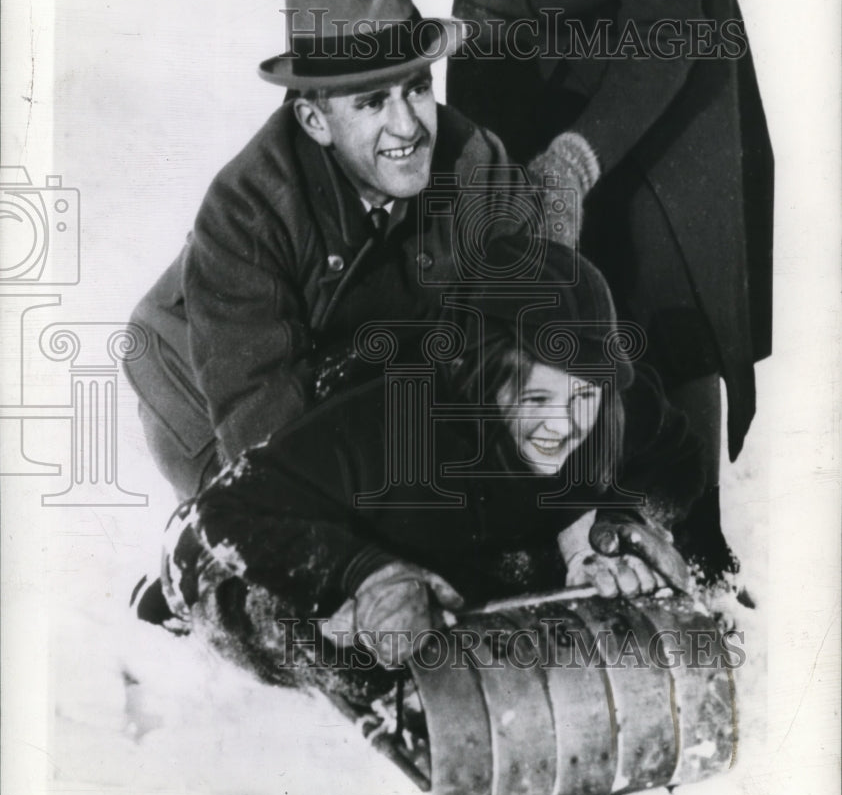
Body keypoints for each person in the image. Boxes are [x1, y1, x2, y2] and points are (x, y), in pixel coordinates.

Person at [336, 0, 774, 579]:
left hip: (653, 48)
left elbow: (663, 24)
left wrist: (574, 163)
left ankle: (694, 535)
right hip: (499, 45)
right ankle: (535, 531)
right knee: (509, 289)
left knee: (667, 288)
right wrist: (339, 91)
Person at [150, 237, 703, 689]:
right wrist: (362, 577)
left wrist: (620, 524)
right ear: (484, 378)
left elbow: (677, 459)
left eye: (583, 396)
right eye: (537, 399)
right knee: (325, 640)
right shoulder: (394, 425)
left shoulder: (614, 409)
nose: (562, 425)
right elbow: (220, 515)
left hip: (464, 531)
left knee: (515, 593)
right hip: (276, 508)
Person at [124, 0, 529, 514]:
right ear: (315, 120)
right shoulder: (248, 209)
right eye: (371, 102)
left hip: (346, 362)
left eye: (415, 87)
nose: (408, 126)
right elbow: (263, 422)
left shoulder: (474, 162)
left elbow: (537, 331)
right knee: (264, 535)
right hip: (202, 377)